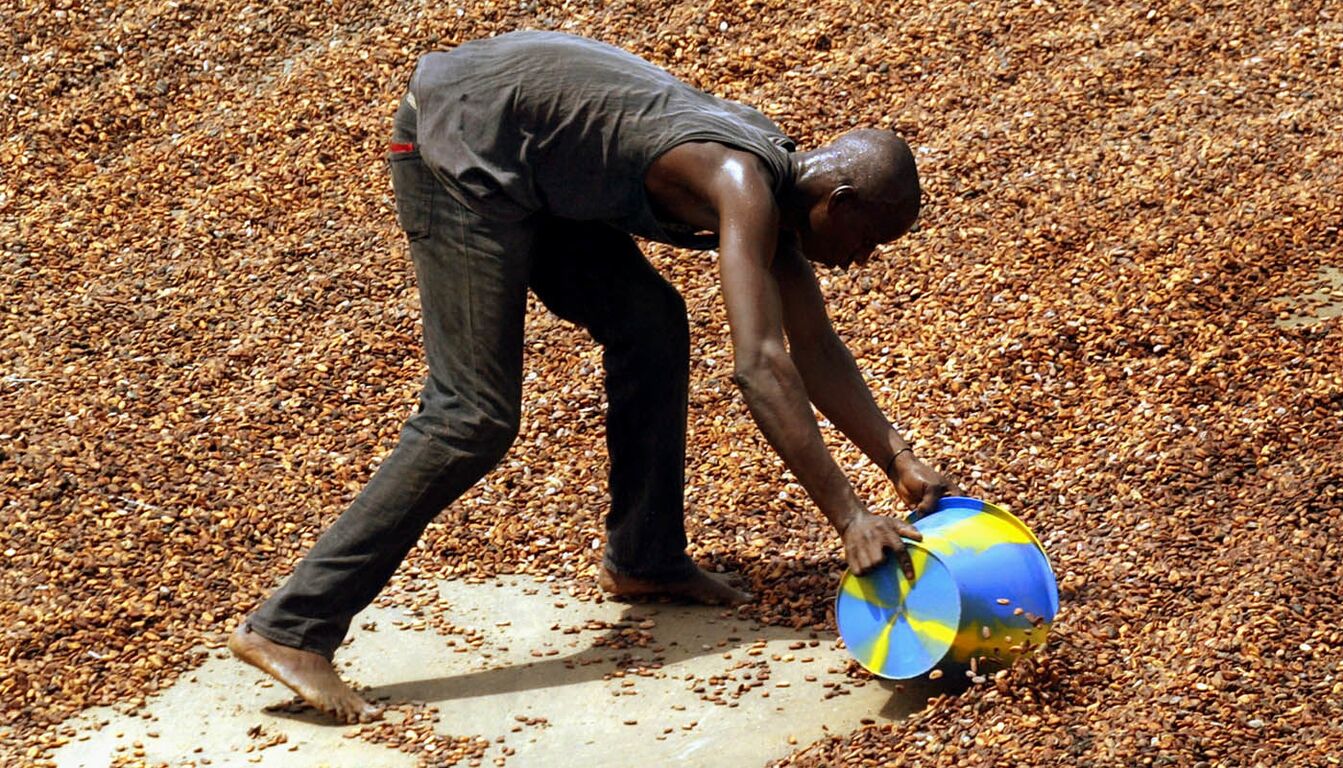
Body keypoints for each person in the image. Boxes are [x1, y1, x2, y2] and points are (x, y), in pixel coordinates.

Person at [228, 30, 954, 724]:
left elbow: (815, 347)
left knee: (651, 326)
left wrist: (895, 458)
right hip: (462, 145)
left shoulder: (784, 195)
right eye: (869, 240)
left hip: (536, 168)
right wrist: (850, 518)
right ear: (842, 202)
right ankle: (295, 624)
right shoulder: (744, 181)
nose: (863, 259)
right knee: (471, 416)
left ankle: (646, 556)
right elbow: (760, 367)